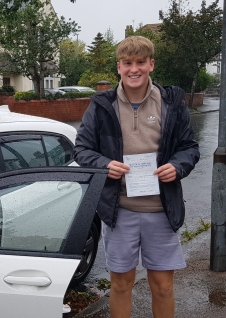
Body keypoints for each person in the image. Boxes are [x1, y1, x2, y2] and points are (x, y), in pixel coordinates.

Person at [74, 35, 200, 318]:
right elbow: (81, 149)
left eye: (140, 62)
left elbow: (189, 148)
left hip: (161, 209)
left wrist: (177, 167)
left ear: (151, 64)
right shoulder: (102, 105)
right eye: (127, 63)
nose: (134, 69)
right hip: (120, 211)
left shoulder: (171, 102)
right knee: (120, 285)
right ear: (119, 67)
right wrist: (105, 163)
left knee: (164, 286)